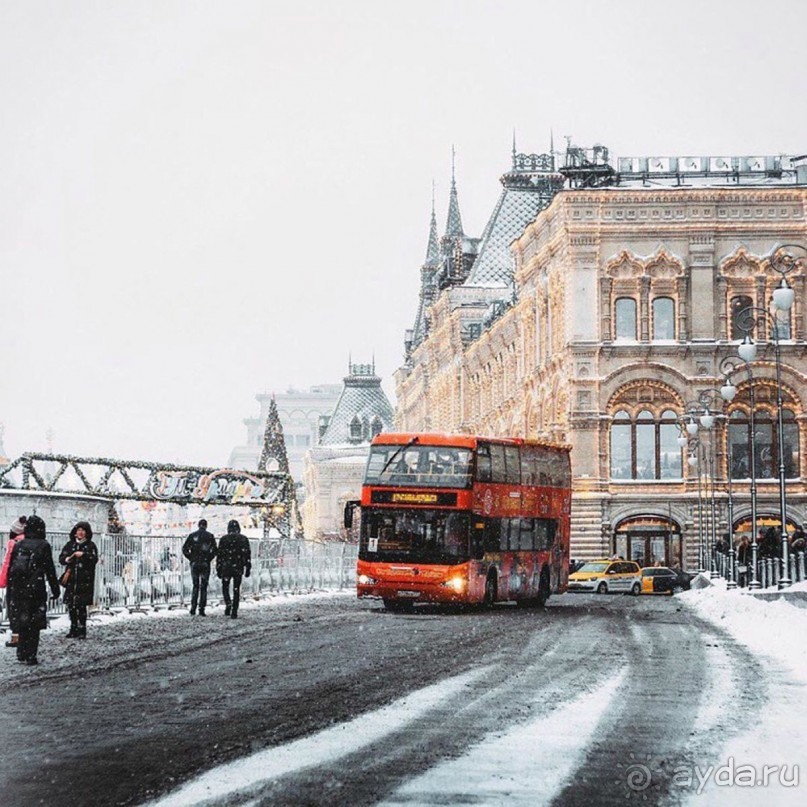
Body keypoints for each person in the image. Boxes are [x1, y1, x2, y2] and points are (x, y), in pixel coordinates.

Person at [7, 515, 60, 666]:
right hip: (36, 589)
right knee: (34, 623)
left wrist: (12, 589)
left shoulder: (19, 544)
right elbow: (50, 569)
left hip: (19, 589)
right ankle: (31, 654)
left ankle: (21, 652)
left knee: (23, 620)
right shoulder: (43, 545)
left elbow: (12, 568)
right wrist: (55, 589)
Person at [59, 521, 99, 639]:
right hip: (72, 580)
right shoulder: (70, 545)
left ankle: (82, 629)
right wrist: (67, 559)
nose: (80, 533)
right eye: (78, 530)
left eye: (83, 530)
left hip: (84, 581)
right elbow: (61, 558)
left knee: (81, 607)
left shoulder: (90, 545)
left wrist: (84, 555)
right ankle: (73, 628)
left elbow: (94, 559)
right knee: (71, 606)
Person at [0, 516, 28, 648]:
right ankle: (24, 636)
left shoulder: (13, 543)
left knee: (14, 609)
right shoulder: (30, 542)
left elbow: (7, 563)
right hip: (27, 581)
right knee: (24, 609)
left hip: (14, 580)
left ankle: (16, 637)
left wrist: (2, 581)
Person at [216, 520, 251, 619]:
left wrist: (218, 567)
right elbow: (247, 554)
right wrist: (247, 567)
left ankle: (228, 603)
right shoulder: (243, 539)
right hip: (238, 567)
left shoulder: (224, 539)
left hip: (226, 567)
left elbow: (220, 555)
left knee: (225, 587)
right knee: (236, 588)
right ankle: (235, 609)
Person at [182, 519, 217, 616]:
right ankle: (202, 609)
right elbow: (215, 550)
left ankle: (193, 608)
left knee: (195, 586)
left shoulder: (192, 536)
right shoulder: (210, 536)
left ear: (198, 525)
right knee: (204, 587)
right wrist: (208, 558)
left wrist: (191, 558)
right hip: (205, 563)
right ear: (206, 526)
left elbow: (185, 548)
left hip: (195, 563)